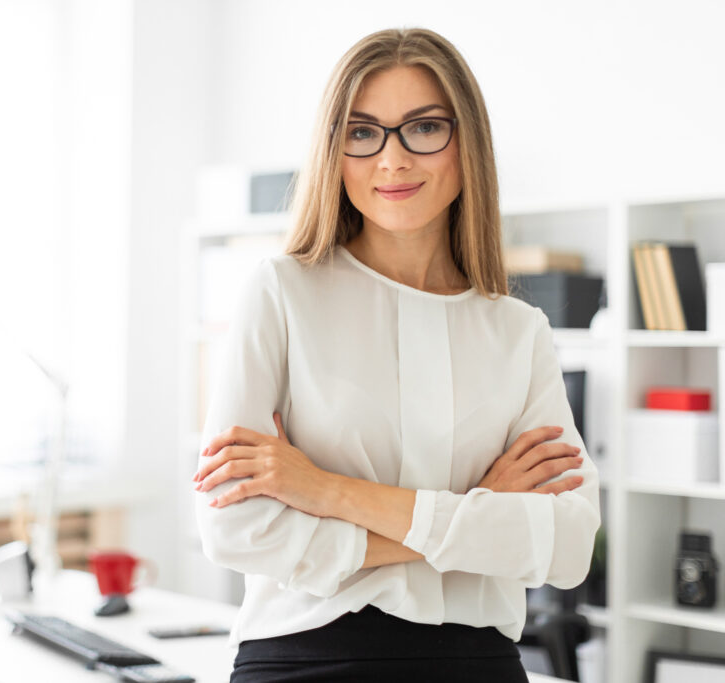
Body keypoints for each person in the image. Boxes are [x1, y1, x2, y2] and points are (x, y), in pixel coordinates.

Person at [192, 28, 601, 682]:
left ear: (467, 142)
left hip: (478, 664)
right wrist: (473, 508)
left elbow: (568, 543)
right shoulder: (281, 293)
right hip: (304, 657)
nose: (393, 159)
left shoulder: (518, 331)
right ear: (336, 150)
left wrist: (326, 490)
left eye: (424, 127)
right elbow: (235, 530)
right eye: (363, 132)